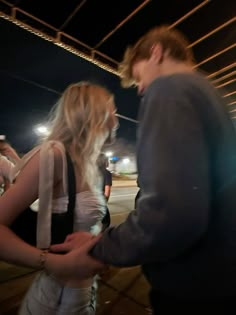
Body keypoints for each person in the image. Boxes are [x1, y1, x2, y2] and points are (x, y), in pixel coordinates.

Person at [50, 26, 236, 313]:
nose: (140, 88)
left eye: (138, 77)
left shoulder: (170, 89)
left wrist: (101, 247)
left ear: (156, 52)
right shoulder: (213, 96)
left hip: (191, 287)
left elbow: (170, 212)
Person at [0, 82, 118, 315]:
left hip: (82, 294)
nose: (116, 120)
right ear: (94, 113)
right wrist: (55, 263)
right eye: (113, 112)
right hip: (55, 302)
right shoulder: (54, 154)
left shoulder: (87, 162)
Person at [97, 153, 112, 229]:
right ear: (105, 161)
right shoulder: (107, 173)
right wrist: (104, 203)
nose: (109, 162)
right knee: (106, 222)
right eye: (108, 160)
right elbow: (107, 190)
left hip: (90, 199)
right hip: (100, 200)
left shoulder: (91, 172)